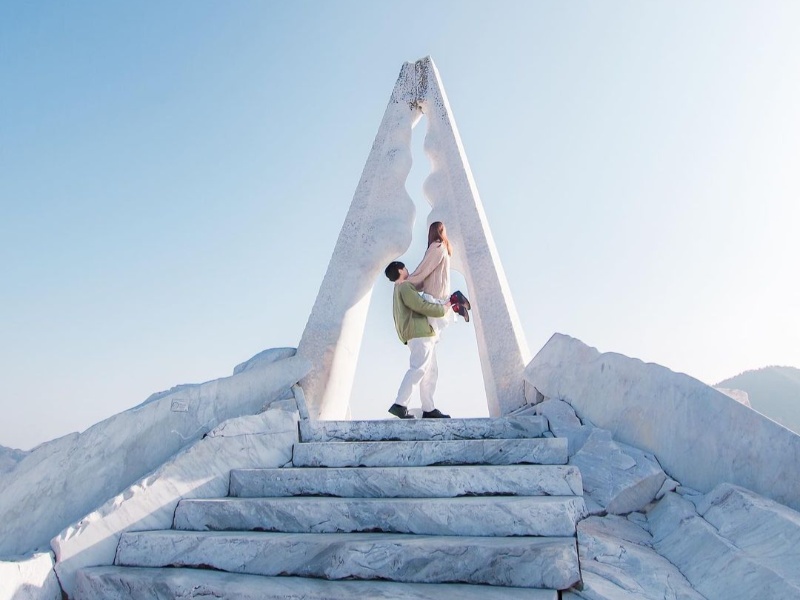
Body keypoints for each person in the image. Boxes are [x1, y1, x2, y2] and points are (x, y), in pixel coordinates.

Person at [384, 260, 451, 419]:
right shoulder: (404, 286)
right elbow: (421, 305)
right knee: (419, 368)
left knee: (430, 371)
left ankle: (428, 408)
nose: (407, 269)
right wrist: (444, 308)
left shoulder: (397, 289)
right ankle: (400, 404)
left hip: (419, 334)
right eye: (405, 267)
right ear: (400, 270)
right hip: (419, 334)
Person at [407, 221, 471, 327]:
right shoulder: (444, 248)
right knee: (436, 324)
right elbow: (428, 273)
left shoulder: (436, 247)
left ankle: (455, 299)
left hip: (434, 293)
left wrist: (407, 282)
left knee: (423, 325)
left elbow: (424, 269)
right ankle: (455, 305)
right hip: (441, 291)